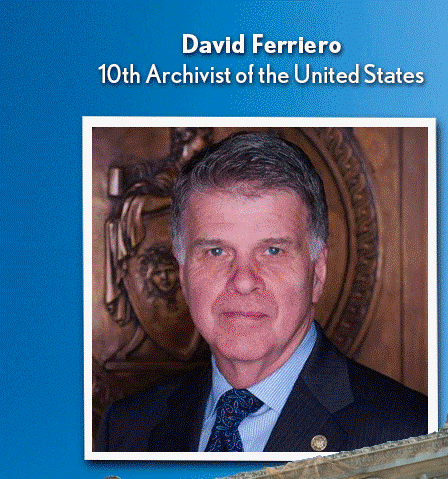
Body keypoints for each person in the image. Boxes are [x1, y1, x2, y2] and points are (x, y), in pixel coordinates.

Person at [96, 131, 427, 454]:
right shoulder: (128, 429)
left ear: (318, 272)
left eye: (272, 251)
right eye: (216, 252)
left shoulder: (412, 436)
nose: (243, 281)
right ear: (182, 273)